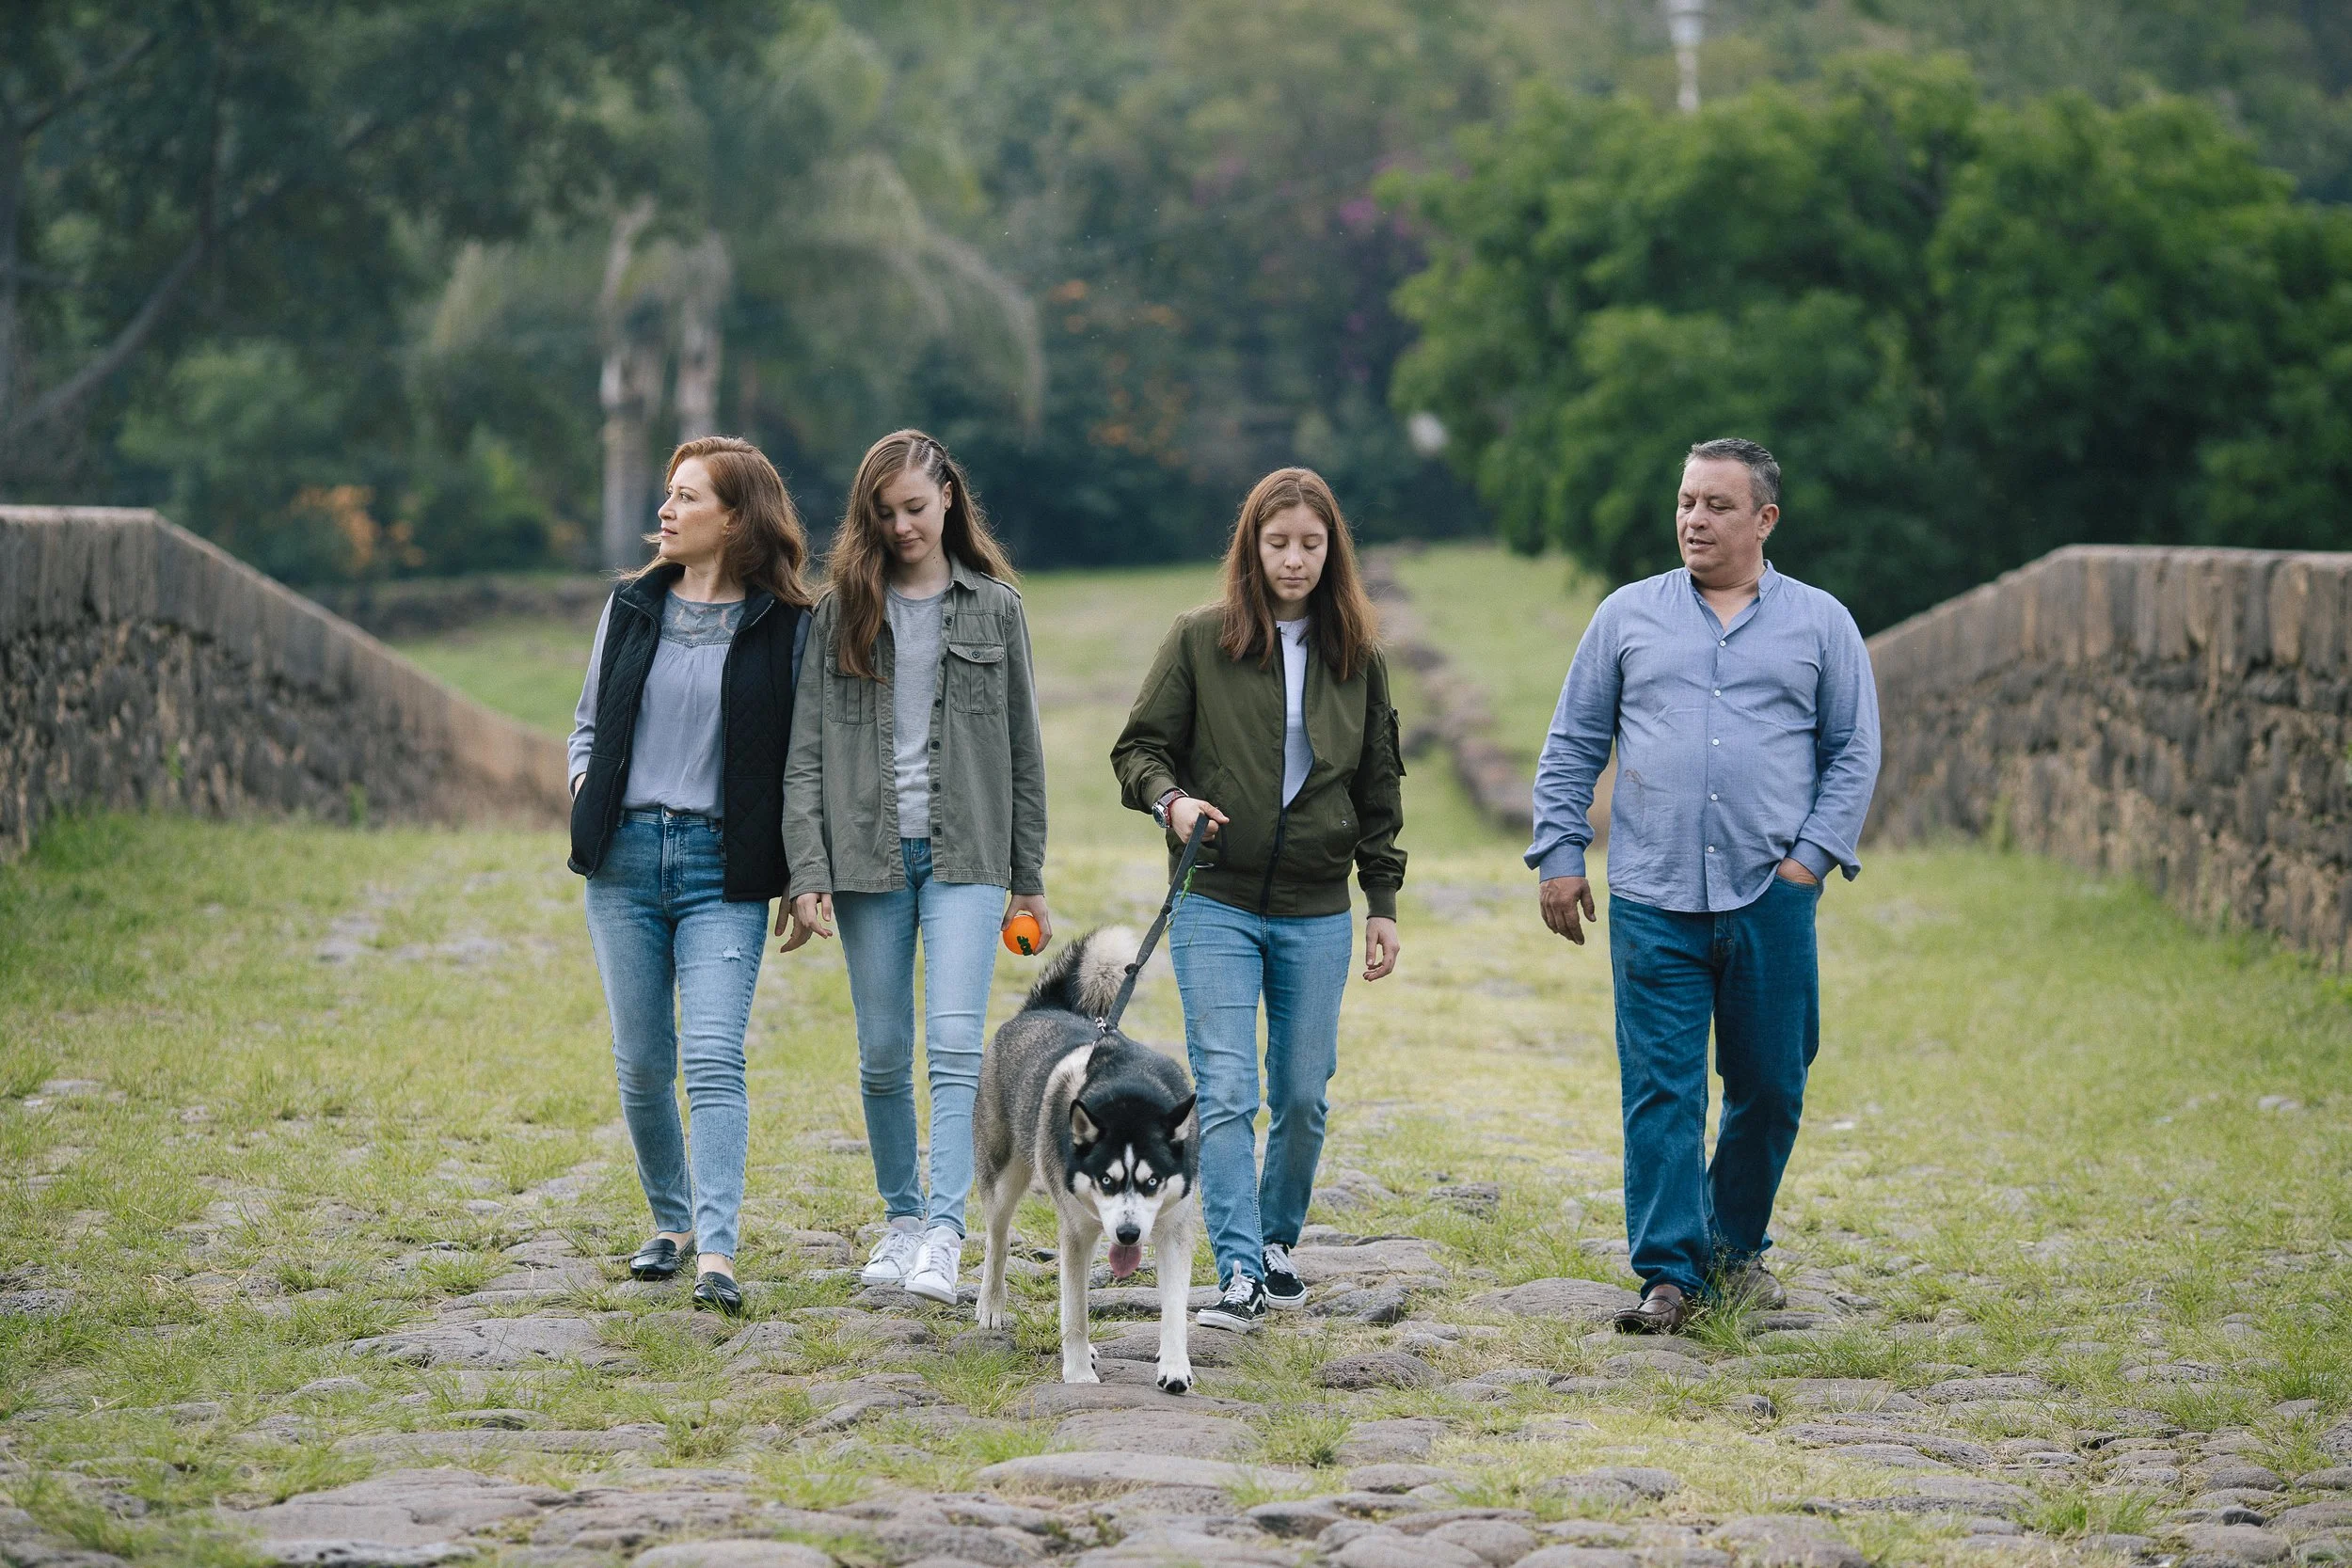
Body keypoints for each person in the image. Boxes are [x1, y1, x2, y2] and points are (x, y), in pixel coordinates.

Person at [1529, 437, 1880, 1333]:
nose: (1694, 519)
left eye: (1718, 505)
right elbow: (1573, 744)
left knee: (1771, 1081)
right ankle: (1671, 1275)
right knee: (1662, 1088)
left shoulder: (1822, 623)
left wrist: (1807, 863)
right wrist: (1561, 855)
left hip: (1771, 892)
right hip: (1651, 895)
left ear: (1764, 518)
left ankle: (1735, 1245)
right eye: (1687, 502)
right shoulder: (1626, 616)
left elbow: (1853, 753)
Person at [1111, 467, 1406, 1333]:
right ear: (1252, 546)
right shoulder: (1200, 640)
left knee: (1305, 1091)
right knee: (1229, 1085)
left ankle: (1278, 1244)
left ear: (1332, 551)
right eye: (1278, 543)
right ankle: (1237, 1269)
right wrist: (1173, 802)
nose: (1294, 559)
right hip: (1217, 898)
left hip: (1318, 905)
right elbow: (1138, 749)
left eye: (1311, 545)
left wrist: (1381, 899)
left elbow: (1381, 785)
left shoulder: (1360, 659)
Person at [783, 429, 1051, 1305]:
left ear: (948, 501)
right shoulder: (839, 613)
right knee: (883, 1049)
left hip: (967, 853)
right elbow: (806, 755)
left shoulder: (997, 609)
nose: (902, 526)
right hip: (866, 856)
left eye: (915, 508)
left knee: (951, 1044)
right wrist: (806, 867)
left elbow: (1024, 754)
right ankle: (900, 1219)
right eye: (884, 512)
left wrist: (1029, 876)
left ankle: (945, 1229)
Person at [567, 436, 815, 1316]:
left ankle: (716, 1250)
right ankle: (669, 1223)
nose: (665, 513)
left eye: (686, 498)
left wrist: (805, 871)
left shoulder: (788, 626)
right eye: (668, 497)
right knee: (641, 1062)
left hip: (724, 867)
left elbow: (805, 760)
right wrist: (583, 796)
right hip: (625, 861)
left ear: (736, 518)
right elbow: (589, 726)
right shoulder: (631, 606)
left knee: (712, 1058)